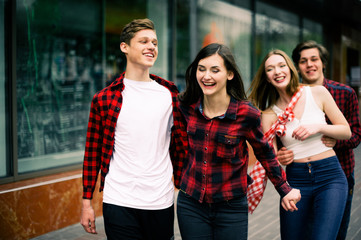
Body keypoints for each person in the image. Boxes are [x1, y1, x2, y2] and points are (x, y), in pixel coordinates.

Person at [175, 43, 301, 240]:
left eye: (215, 70)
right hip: (191, 204)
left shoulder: (246, 113)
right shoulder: (185, 106)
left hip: (231, 207)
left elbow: (265, 153)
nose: (206, 76)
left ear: (230, 74)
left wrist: (284, 189)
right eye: (201, 69)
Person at [80, 18, 186, 240]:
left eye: (155, 43)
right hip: (119, 199)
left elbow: (183, 144)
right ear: (124, 47)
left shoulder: (169, 94)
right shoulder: (105, 99)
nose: (151, 47)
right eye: (144, 41)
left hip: (160, 199)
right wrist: (86, 203)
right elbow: (92, 153)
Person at [248, 49, 351, 240]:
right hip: (295, 180)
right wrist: (280, 158)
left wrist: (319, 127)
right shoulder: (269, 115)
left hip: (330, 177)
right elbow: (272, 159)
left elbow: (346, 131)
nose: (277, 71)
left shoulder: (317, 93)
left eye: (281, 66)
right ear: (267, 78)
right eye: (270, 69)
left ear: (290, 68)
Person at [277, 40, 361, 239]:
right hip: (299, 177)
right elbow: (282, 135)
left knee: (333, 234)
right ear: (297, 66)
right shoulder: (287, 97)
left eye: (314, 59)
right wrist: (281, 152)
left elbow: (356, 133)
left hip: (337, 174)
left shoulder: (344, 93)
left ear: (323, 62)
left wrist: (334, 140)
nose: (309, 65)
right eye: (303, 61)